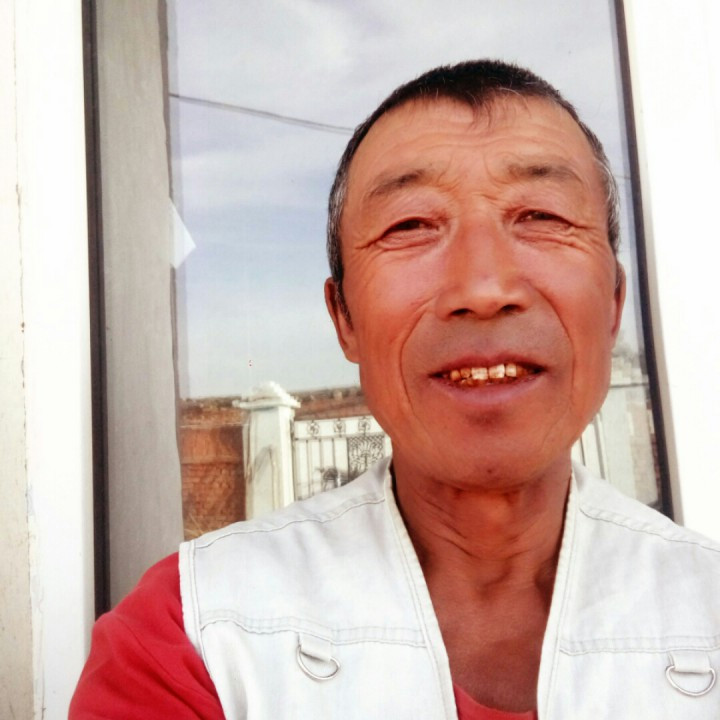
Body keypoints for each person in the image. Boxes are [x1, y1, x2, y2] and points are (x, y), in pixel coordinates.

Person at [70, 60, 720, 719]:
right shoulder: (196, 634)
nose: (483, 288)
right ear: (345, 319)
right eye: (410, 226)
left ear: (613, 303)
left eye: (541, 215)